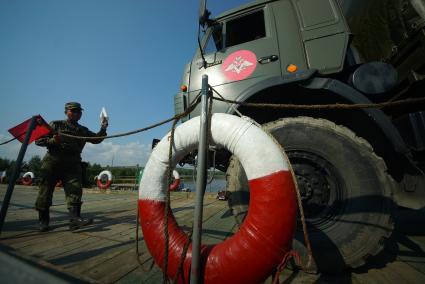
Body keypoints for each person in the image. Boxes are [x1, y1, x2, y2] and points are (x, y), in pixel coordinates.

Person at [34, 102, 108, 231]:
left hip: (72, 164)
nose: (76, 113)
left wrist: (103, 128)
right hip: (53, 162)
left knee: (75, 191)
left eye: (79, 112)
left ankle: (74, 220)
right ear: (66, 112)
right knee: (45, 192)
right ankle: (43, 221)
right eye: (73, 111)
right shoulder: (55, 124)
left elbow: (96, 139)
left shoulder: (82, 130)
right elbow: (38, 140)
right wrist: (52, 141)